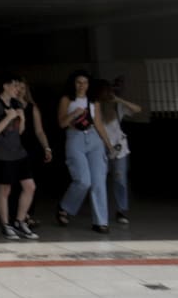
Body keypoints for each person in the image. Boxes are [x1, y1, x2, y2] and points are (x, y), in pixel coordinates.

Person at [57, 70, 114, 233]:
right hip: (75, 138)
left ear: (89, 84)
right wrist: (74, 114)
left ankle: (101, 221)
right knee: (83, 180)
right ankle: (65, 207)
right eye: (78, 82)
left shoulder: (93, 101)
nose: (82, 86)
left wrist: (108, 145)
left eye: (85, 82)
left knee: (99, 181)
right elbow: (61, 123)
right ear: (73, 84)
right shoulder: (67, 100)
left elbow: (99, 124)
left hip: (94, 139)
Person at [0, 75, 41, 240]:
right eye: (15, 86)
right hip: (2, 154)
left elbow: (20, 131)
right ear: (5, 86)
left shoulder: (17, 104)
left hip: (18, 152)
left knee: (30, 186)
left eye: (19, 86)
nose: (18, 89)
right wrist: (9, 117)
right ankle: (5, 224)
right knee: (5, 189)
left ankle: (20, 220)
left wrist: (22, 119)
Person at [95, 79, 143, 225]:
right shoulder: (95, 107)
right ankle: (100, 211)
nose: (107, 94)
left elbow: (137, 109)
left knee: (119, 178)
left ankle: (121, 210)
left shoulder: (117, 106)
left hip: (118, 147)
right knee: (99, 179)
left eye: (109, 91)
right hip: (99, 146)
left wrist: (119, 99)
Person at [18, 78, 54, 226]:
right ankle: (19, 215)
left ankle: (28, 214)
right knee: (16, 184)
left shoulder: (32, 108)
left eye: (23, 87)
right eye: (17, 87)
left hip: (31, 149)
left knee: (31, 183)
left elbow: (39, 131)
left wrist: (47, 147)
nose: (20, 90)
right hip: (14, 148)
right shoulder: (9, 107)